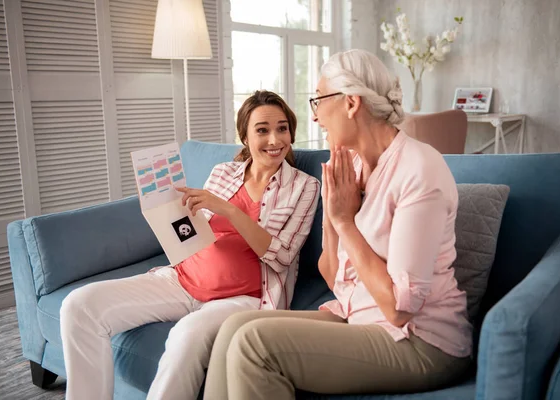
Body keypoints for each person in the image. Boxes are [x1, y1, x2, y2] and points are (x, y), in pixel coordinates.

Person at [203, 49, 474, 400]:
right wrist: (333, 211)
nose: (314, 118)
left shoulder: (419, 169)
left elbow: (399, 308)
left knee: (256, 344)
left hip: (421, 341)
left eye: (317, 101)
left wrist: (346, 222)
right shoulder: (354, 167)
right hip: (358, 316)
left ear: (350, 103)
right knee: (234, 328)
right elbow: (335, 279)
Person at [59, 90, 320, 400]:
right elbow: (194, 231)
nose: (275, 139)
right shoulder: (222, 173)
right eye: (262, 130)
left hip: (244, 298)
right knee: (79, 306)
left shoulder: (304, 186)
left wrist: (230, 210)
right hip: (182, 280)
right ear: (246, 138)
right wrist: (166, 211)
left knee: (186, 335)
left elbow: (282, 255)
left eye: (282, 128)